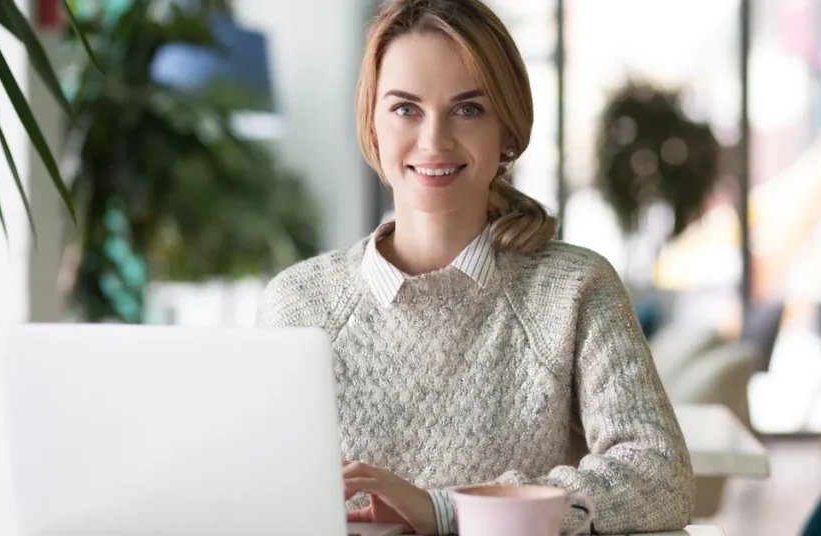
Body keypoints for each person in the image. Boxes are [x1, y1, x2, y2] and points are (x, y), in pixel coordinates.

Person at [257, 0, 694, 534]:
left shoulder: (575, 288)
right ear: (372, 126)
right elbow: (262, 494)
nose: (434, 140)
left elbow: (661, 477)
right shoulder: (300, 303)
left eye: (468, 109)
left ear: (507, 133)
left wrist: (449, 511)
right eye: (405, 108)